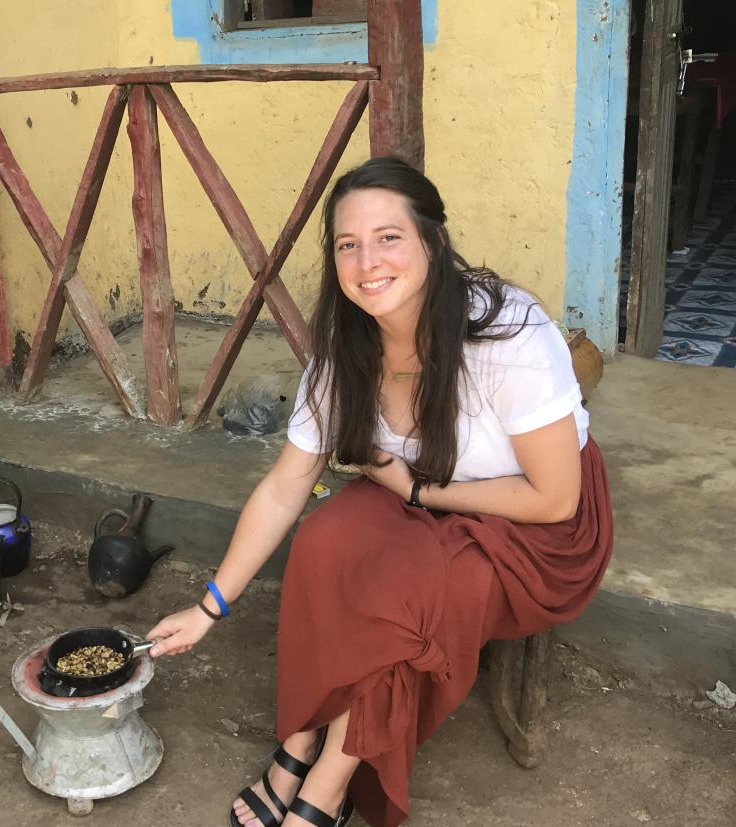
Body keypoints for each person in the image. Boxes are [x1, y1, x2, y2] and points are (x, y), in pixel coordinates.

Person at [146, 157, 614, 827]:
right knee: (325, 541)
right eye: (347, 243)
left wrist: (420, 490)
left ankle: (326, 779)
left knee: (410, 598)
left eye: (389, 236)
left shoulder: (506, 332)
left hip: (536, 528)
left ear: (431, 240)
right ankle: (303, 734)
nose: (368, 260)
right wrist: (208, 607)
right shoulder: (345, 357)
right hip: (417, 493)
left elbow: (555, 499)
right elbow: (285, 488)